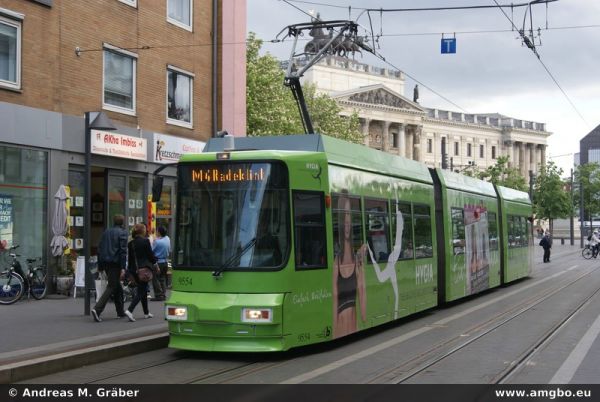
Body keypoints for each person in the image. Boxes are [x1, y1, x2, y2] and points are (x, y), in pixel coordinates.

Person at [332, 194, 367, 338]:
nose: (346, 221)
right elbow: (334, 298)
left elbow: (363, 292)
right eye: (343, 215)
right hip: (340, 327)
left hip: (354, 325)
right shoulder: (336, 263)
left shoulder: (358, 261)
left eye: (349, 214)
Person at [92, 214, 128, 322]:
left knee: (118, 287)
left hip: (105, 263)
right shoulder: (123, 233)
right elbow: (123, 251)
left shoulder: (106, 232)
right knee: (112, 286)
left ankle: (120, 311)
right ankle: (97, 309)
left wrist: (100, 265)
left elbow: (100, 248)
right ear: (122, 222)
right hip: (115, 263)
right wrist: (123, 267)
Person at [124, 223, 157, 322]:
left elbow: (130, 259)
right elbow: (150, 255)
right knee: (141, 291)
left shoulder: (131, 243)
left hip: (134, 270)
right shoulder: (145, 241)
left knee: (143, 290)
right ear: (143, 231)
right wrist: (155, 264)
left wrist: (129, 272)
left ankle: (146, 312)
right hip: (144, 270)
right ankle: (130, 310)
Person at [151, 226, 171, 300]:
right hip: (165, 261)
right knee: (162, 278)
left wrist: (153, 241)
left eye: (157, 231)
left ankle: (158, 295)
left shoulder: (157, 242)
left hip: (158, 262)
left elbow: (151, 250)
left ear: (159, 232)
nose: (156, 232)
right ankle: (163, 294)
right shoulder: (167, 238)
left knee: (155, 278)